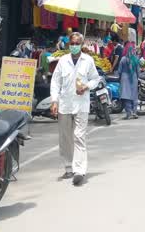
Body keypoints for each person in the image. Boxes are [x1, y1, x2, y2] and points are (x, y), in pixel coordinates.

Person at [50, 32, 101, 186]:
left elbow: (96, 79)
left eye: (77, 43)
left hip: (81, 104)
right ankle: (68, 166)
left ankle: (79, 170)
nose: (74, 46)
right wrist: (54, 101)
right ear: (68, 45)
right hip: (65, 104)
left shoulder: (88, 60)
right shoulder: (63, 61)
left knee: (79, 136)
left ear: (82, 44)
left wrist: (86, 86)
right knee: (65, 138)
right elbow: (55, 82)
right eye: (72, 43)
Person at [118, 42, 140, 120]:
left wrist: (119, 77)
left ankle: (129, 113)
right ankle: (134, 112)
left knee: (126, 96)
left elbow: (119, 71)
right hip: (133, 78)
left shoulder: (123, 59)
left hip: (124, 78)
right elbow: (138, 71)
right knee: (133, 95)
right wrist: (137, 78)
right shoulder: (136, 59)